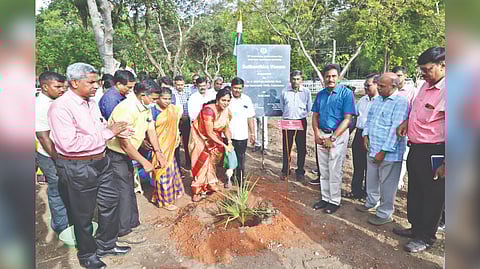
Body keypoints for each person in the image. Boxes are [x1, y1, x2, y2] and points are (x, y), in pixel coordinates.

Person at [48, 63, 130, 268]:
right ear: (75, 83)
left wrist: (114, 130)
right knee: (82, 214)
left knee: (110, 202)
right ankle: (87, 255)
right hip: (78, 166)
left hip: (101, 161)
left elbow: (99, 127)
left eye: (97, 81)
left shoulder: (90, 102)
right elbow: (69, 144)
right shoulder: (61, 107)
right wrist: (107, 133)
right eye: (91, 82)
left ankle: (106, 244)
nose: (97, 86)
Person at [394, 47, 446, 253]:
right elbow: (417, 111)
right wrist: (407, 122)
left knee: (432, 196)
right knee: (415, 191)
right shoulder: (425, 86)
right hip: (415, 148)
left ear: (444, 66)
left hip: (436, 152)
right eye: (421, 69)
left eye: (427, 69)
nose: (423, 73)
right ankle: (415, 228)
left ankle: (426, 237)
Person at [106, 79, 166, 244]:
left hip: (128, 154)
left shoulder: (145, 107)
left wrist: (158, 152)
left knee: (129, 190)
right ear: (142, 95)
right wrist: (144, 162)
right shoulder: (126, 110)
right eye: (153, 99)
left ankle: (133, 223)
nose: (155, 103)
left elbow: (150, 128)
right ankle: (124, 231)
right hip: (116, 155)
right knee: (122, 192)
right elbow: (124, 144)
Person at [355, 73, 409, 226]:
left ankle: (384, 213)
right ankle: (371, 203)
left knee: (387, 184)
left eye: (382, 86)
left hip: (389, 153)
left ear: (394, 86)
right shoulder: (378, 100)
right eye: (377, 85)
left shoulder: (401, 102)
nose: (378, 88)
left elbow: (396, 130)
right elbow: (369, 119)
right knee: (372, 179)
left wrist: (383, 152)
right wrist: (365, 135)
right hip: (372, 147)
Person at [311, 64, 355, 214]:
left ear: (339, 77)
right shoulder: (321, 94)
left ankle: (334, 200)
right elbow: (315, 115)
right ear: (324, 77)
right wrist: (316, 133)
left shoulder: (346, 94)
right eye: (328, 76)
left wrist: (333, 137)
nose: (330, 79)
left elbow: (348, 118)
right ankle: (325, 198)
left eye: (333, 76)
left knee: (334, 169)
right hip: (322, 134)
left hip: (338, 135)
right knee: (323, 169)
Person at [35, 71, 68, 234]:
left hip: (61, 153)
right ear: (45, 87)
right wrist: (58, 159)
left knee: (65, 186)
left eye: (63, 86)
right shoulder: (41, 106)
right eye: (58, 86)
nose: (62, 89)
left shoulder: (56, 102)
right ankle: (61, 226)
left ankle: (65, 219)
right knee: (57, 189)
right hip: (49, 155)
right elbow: (43, 137)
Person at [189, 89, 233, 202]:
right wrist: (223, 144)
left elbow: (226, 128)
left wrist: (229, 142)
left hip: (215, 139)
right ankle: (197, 189)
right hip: (200, 138)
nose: (226, 103)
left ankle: (210, 184)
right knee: (201, 163)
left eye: (228, 100)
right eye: (223, 100)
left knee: (211, 162)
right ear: (217, 100)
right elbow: (208, 133)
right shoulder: (208, 110)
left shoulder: (226, 111)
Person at [345, 73, 379, 199]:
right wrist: (347, 133)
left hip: (372, 137)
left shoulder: (380, 101)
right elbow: (355, 118)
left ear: (376, 84)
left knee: (371, 168)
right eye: (365, 85)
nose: (365, 88)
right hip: (359, 135)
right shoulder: (362, 100)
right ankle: (356, 190)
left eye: (368, 85)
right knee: (358, 165)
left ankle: (368, 194)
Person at [151, 87, 185, 210]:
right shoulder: (153, 112)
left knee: (172, 170)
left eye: (169, 99)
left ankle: (168, 194)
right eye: (164, 99)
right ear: (158, 99)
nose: (167, 101)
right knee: (162, 171)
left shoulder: (173, 110)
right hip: (159, 147)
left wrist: (177, 137)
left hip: (171, 146)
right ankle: (165, 202)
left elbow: (176, 125)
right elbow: (150, 131)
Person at [279, 70, 312, 181]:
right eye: (294, 79)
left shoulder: (306, 92)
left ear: (301, 80)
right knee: (287, 146)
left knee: (301, 147)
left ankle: (300, 171)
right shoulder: (284, 91)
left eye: (298, 79)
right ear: (290, 80)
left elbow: (309, 108)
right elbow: (282, 107)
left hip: (300, 121)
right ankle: (285, 170)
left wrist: (299, 116)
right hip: (288, 121)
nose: (295, 81)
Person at [392, 66, 418, 190]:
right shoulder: (390, 90)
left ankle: (399, 180)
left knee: (403, 157)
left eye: (399, 75)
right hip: (390, 129)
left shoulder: (412, 91)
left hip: (405, 130)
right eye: (395, 75)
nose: (397, 78)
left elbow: (415, 111)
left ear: (405, 76)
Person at [228, 78, 256, 187]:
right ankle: (229, 179)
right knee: (229, 159)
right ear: (231, 87)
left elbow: (250, 118)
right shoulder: (227, 98)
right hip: (228, 134)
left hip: (242, 135)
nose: (237, 90)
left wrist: (252, 133)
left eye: (239, 88)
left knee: (241, 158)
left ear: (242, 88)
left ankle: (240, 179)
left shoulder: (247, 100)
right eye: (235, 88)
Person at [173, 75, 192, 170]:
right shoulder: (172, 93)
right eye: (178, 85)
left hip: (186, 120)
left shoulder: (188, 92)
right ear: (175, 84)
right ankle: (177, 164)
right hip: (176, 121)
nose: (180, 87)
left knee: (187, 141)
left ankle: (188, 162)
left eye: (181, 85)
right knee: (176, 142)